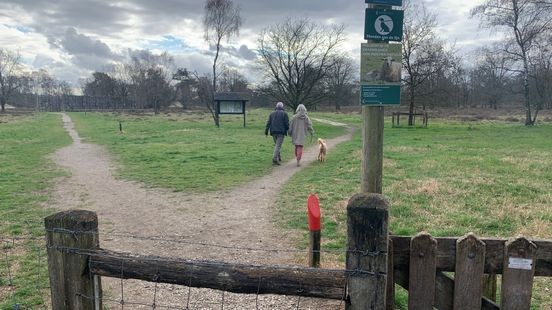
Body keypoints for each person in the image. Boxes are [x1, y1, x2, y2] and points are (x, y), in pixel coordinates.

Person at [265, 102, 289, 166]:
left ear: (276, 107)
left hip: (273, 132)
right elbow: (287, 124)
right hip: (281, 132)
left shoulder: (272, 113)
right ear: (282, 107)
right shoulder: (284, 114)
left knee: (277, 145)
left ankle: (279, 157)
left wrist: (266, 131)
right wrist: (287, 130)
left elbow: (268, 123)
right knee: (278, 146)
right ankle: (274, 160)